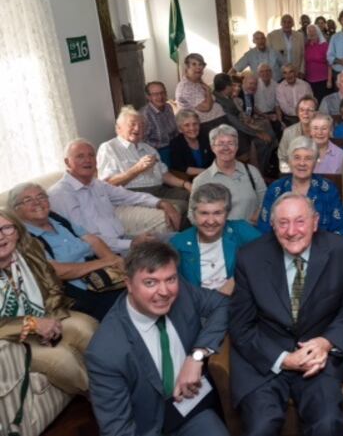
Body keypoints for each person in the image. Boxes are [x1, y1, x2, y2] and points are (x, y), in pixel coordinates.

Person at [229, 193, 343, 435]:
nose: (291, 231)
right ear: (273, 225)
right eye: (283, 223)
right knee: (261, 426)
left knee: (328, 424)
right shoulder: (249, 257)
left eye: (300, 221)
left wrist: (327, 342)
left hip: (318, 360)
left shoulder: (342, 250)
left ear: (315, 222)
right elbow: (241, 325)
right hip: (266, 359)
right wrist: (283, 358)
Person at [85, 241, 229, 436]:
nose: (164, 292)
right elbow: (117, 431)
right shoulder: (105, 351)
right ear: (128, 284)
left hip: (193, 407)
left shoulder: (181, 292)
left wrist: (197, 355)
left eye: (170, 279)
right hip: (151, 428)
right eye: (150, 282)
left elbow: (222, 305)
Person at [0, 209, 97, 395]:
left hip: (45, 314)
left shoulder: (30, 249)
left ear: (18, 230)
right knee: (62, 360)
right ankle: (106, 401)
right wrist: (33, 324)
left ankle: (121, 381)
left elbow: (53, 285)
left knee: (85, 327)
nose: (1, 236)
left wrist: (50, 321)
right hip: (11, 338)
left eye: (6, 228)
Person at [10, 183, 124, 321]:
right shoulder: (23, 237)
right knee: (125, 306)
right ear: (16, 210)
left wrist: (115, 262)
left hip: (103, 274)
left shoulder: (56, 218)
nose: (37, 203)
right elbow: (56, 271)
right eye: (28, 200)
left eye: (41, 196)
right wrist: (106, 262)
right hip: (77, 290)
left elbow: (93, 240)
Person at [49, 140, 181, 254]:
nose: (87, 160)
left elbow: (129, 196)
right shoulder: (62, 193)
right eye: (80, 156)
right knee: (168, 252)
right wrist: (131, 243)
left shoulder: (97, 184)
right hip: (105, 252)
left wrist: (161, 203)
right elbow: (86, 239)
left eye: (91, 155)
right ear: (67, 162)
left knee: (179, 240)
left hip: (123, 240)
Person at [170, 183, 261, 294]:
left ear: (227, 214)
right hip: (197, 306)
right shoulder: (178, 243)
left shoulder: (240, 230)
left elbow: (269, 252)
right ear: (194, 214)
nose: (211, 221)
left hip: (237, 304)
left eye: (217, 213)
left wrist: (237, 279)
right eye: (204, 213)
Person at [98, 107, 191, 205]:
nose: (137, 128)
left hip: (160, 190)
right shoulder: (109, 148)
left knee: (195, 197)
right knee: (181, 206)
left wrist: (185, 184)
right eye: (132, 124)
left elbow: (164, 175)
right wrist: (136, 169)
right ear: (118, 128)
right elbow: (108, 184)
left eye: (141, 125)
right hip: (133, 195)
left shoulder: (149, 148)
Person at [257, 137, 343, 236]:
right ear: (289, 161)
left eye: (308, 158)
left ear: (315, 162)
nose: (302, 163)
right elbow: (264, 229)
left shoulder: (328, 189)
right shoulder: (275, 189)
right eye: (297, 157)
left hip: (321, 249)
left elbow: (340, 229)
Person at [191, 124, 266, 224]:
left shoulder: (252, 172)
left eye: (230, 143)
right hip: (221, 236)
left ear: (236, 147)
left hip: (253, 233)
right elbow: (192, 215)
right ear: (212, 147)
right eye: (221, 143)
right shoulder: (202, 180)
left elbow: (266, 201)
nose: (226, 148)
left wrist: (258, 215)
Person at [176, 54, 230, 141]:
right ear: (187, 67)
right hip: (205, 125)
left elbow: (211, 99)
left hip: (215, 120)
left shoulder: (196, 81)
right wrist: (208, 91)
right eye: (194, 64)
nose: (198, 67)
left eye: (200, 64)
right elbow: (207, 107)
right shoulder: (186, 87)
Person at [140, 81, 178, 166]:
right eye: (155, 94)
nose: (160, 97)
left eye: (162, 93)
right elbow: (142, 141)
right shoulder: (144, 114)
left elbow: (175, 131)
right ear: (148, 97)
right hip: (157, 152)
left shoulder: (168, 107)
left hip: (173, 146)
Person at [277, 95, 318, 172]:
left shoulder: (321, 132)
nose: (305, 113)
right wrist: (289, 174)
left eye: (309, 110)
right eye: (302, 110)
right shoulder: (288, 132)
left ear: (315, 113)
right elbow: (282, 158)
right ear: (297, 113)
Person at [170, 109, 214, 176]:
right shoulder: (176, 144)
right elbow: (181, 168)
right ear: (180, 129)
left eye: (195, 124)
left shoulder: (206, 137)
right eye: (187, 125)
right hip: (191, 180)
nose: (192, 128)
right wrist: (207, 171)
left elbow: (215, 158)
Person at [303, 24, 331, 103]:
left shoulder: (324, 45)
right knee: (312, 102)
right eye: (309, 31)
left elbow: (330, 64)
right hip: (309, 80)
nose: (311, 33)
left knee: (322, 102)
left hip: (323, 80)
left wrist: (329, 80)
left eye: (313, 31)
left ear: (318, 32)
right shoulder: (306, 46)